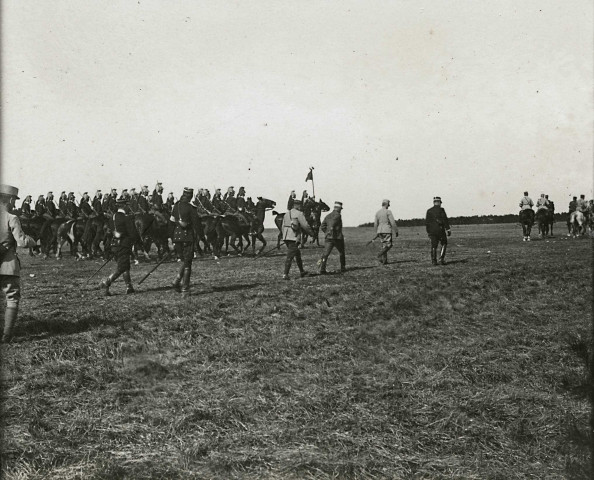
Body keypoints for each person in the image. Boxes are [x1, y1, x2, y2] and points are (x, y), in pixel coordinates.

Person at [0, 184, 37, 343]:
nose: (14, 204)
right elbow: (22, 242)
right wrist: (33, 241)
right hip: (7, 266)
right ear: (8, 199)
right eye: (14, 200)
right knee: (12, 298)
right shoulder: (11, 218)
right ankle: (7, 335)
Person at [99, 197, 137, 296]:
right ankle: (106, 282)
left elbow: (109, 232)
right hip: (124, 246)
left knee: (125, 266)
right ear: (124, 206)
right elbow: (133, 234)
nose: (129, 207)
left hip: (114, 246)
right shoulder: (126, 218)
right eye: (127, 205)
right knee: (122, 267)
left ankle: (129, 287)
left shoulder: (112, 217)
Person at [171, 187, 196, 297]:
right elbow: (197, 224)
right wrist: (202, 237)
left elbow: (171, 222)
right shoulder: (191, 208)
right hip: (187, 238)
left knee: (184, 260)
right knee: (188, 264)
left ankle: (176, 281)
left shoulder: (176, 206)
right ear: (190, 196)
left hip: (177, 237)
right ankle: (185, 289)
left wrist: (171, 238)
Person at [281, 199, 314, 279]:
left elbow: (282, 226)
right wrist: (312, 234)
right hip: (294, 237)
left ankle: (302, 271)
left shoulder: (286, 214)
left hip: (286, 237)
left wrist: (285, 237)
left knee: (297, 254)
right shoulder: (299, 213)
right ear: (298, 206)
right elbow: (305, 226)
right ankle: (285, 274)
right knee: (290, 255)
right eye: (300, 205)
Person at [319, 201, 346, 274]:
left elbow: (322, 226)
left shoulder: (328, 215)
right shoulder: (338, 215)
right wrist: (332, 232)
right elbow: (332, 224)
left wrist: (327, 233)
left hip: (328, 238)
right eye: (340, 208)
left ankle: (322, 269)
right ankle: (343, 267)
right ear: (339, 208)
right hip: (337, 238)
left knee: (325, 254)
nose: (340, 210)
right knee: (341, 252)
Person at [426, 196, 451, 266]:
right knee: (444, 243)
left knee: (434, 246)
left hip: (432, 231)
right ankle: (441, 259)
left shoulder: (429, 211)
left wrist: (429, 232)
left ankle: (434, 261)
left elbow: (427, 223)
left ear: (434, 202)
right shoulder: (442, 210)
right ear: (439, 202)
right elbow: (445, 220)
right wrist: (448, 229)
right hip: (441, 231)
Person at [374, 199, 398, 265]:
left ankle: (384, 261)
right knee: (389, 245)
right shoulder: (388, 212)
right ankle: (379, 254)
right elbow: (392, 222)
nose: (389, 206)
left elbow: (375, 224)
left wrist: (377, 232)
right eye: (389, 204)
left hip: (380, 231)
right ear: (386, 204)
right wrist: (396, 231)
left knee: (384, 246)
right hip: (387, 230)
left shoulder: (377, 212)